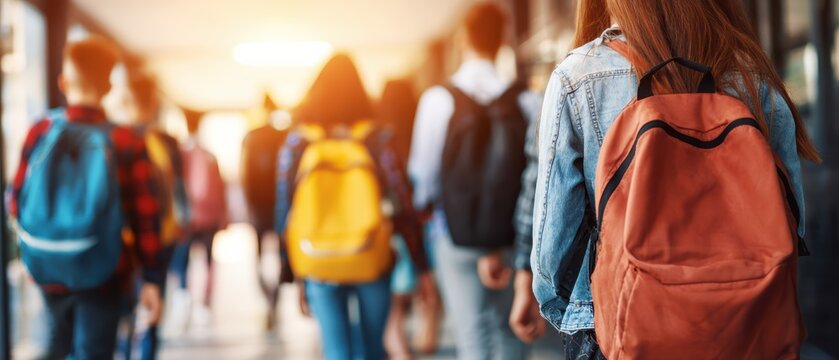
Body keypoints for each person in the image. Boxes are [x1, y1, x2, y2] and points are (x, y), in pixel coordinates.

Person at [531, 0, 821, 358]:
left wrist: (575, 315)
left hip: (620, 330)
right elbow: (794, 225)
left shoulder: (578, 77)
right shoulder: (752, 74)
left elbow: (552, 252)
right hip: (748, 325)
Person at [6, 36, 164, 359]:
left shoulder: (40, 131)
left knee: (56, 344)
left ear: (63, 82)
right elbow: (145, 216)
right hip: (104, 270)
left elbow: (14, 199)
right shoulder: (126, 141)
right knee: (94, 351)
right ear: (108, 87)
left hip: (48, 268)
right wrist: (151, 278)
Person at [275, 54, 436, 360]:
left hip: (317, 259)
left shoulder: (297, 143)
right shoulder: (378, 139)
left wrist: (292, 269)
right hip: (372, 256)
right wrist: (421, 266)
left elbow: (285, 210)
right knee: (373, 350)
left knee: (337, 352)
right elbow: (403, 204)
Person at [408, 3, 538, 359]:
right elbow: (537, 171)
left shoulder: (438, 99)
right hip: (513, 234)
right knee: (513, 330)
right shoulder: (526, 100)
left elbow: (424, 174)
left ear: (462, 39)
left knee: (472, 331)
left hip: (455, 233)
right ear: (503, 39)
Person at [110, 68, 189, 360]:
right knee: (151, 306)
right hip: (158, 236)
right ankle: (144, 353)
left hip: (132, 238)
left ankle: (138, 351)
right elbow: (179, 190)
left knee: (131, 310)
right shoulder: (160, 142)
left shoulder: (120, 140)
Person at [377, 79, 442, 358]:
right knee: (427, 297)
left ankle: (400, 347)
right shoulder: (419, 134)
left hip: (396, 232)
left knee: (394, 313)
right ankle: (428, 330)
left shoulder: (380, 141)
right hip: (427, 228)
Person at [170, 108, 229, 330]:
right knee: (207, 260)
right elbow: (220, 187)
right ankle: (204, 305)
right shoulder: (209, 154)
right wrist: (223, 215)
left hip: (186, 218)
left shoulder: (179, 153)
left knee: (182, 261)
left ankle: (182, 299)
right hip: (210, 216)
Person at [240, 93, 291, 331]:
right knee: (280, 253)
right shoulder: (284, 136)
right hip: (280, 205)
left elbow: (245, 175)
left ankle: (268, 298)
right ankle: (275, 299)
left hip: (259, 205)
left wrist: (248, 203)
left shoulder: (251, 137)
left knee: (259, 256)